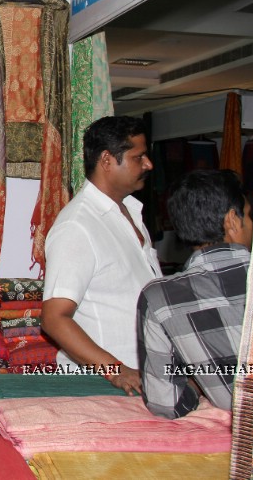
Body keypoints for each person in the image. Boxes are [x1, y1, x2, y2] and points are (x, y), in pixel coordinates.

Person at [42, 115, 162, 395]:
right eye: (139, 157)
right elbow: (54, 318)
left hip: (141, 382)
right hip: (101, 386)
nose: (148, 165)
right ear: (107, 160)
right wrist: (115, 370)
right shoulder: (78, 225)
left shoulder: (131, 213)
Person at [137, 169, 253, 419]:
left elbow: (165, 403)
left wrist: (200, 381)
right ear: (232, 220)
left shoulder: (160, 298)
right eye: (250, 215)